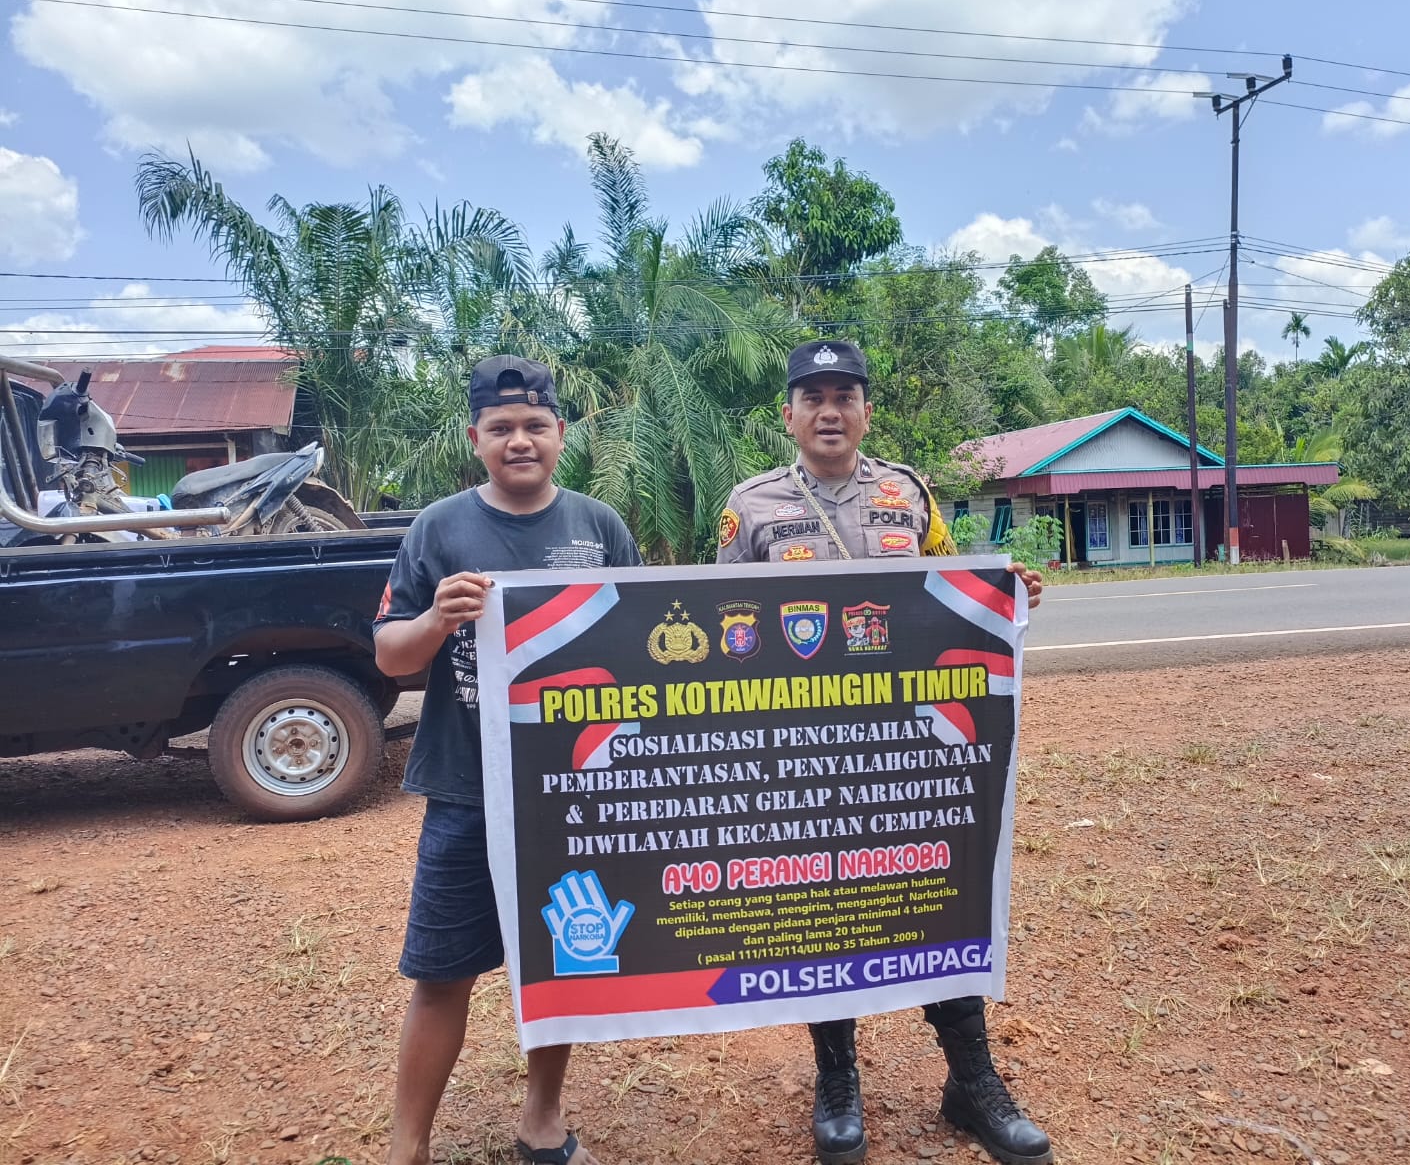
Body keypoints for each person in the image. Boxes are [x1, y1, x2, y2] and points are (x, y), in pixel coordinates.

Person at [716, 340, 1052, 1165]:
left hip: (911, 748)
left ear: (866, 411)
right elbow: (724, 623)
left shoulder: (908, 493)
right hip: (804, 748)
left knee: (936, 890)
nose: (829, 411)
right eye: (813, 397)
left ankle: (971, 1080)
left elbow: (949, 590)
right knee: (823, 902)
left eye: (845, 396)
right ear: (788, 414)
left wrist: (1003, 592)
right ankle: (837, 1079)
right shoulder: (750, 506)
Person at [375, 355, 641, 1165]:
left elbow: (638, 647)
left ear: (561, 433)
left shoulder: (599, 527)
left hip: (570, 791)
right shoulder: (438, 528)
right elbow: (389, 654)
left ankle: (542, 1121)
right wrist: (435, 621)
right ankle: (407, 1147)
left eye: (533, 426)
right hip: (466, 790)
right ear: (475, 439)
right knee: (440, 973)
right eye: (500, 428)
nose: (518, 440)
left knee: (560, 962)